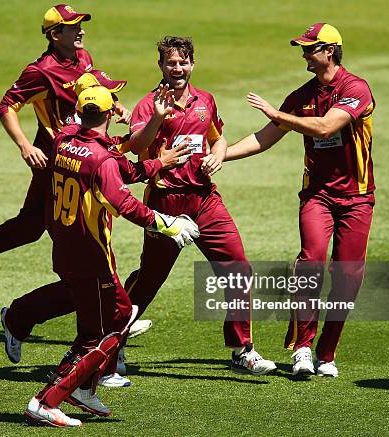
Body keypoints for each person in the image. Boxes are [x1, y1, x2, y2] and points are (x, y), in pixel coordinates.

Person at [22, 85, 199, 427]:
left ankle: (82, 388)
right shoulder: (100, 158)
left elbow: (122, 170)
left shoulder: (63, 140)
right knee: (114, 325)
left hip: (65, 248)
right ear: (107, 113)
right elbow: (124, 202)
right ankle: (49, 399)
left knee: (106, 321)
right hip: (91, 256)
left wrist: (157, 161)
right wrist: (168, 224)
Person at [0, 4, 131, 306]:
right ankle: (112, 307)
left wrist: (112, 105)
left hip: (75, 152)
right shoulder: (40, 72)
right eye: (73, 26)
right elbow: (6, 107)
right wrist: (25, 146)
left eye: (80, 24)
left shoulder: (83, 56)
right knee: (84, 232)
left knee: (31, 227)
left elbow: (89, 89)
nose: (81, 30)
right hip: (56, 157)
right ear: (55, 35)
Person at [224, 23, 376, 377]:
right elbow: (264, 139)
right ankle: (303, 348)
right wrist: (221, 157)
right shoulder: (301, 96)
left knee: (348, 277)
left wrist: (278, 115)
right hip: (317, 196)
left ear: (330, 51)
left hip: (357, 198)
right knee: (310, 262)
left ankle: (327, 352)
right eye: (303, 49)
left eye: (310, 49)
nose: (304, 55)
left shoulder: (356, 88)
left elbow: (325, 127)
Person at [122, 36, 277, 375]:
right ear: (161, 66)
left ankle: (242, 350)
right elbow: (136, 147)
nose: (177, 68)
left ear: (192, 64)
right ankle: (112, 341)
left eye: (183, 62)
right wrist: (157, 119)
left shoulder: (205, 100)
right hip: (166, 202)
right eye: (170, 63)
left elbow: (217, 136)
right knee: (150, 278)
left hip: (206, 199)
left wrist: (218, 156)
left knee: (238, 270)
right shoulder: (149, 104)